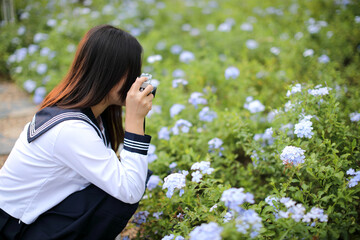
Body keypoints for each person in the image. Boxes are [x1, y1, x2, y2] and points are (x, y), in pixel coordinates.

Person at [0, 24, 155, 239]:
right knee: (117, 196)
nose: (136, 82)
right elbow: (129, 190)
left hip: (24, 218)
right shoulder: (71, 129)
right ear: (108, 72)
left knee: (120, 183)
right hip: (12, 228)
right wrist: (136, 121)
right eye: (132, 73)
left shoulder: (85, 113)